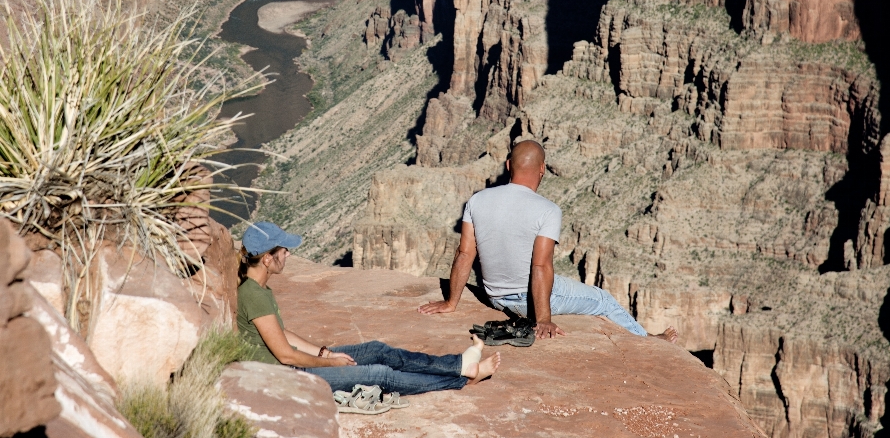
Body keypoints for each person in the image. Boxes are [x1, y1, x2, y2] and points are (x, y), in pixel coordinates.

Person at [419, 140, 679, 343]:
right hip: (526, 301)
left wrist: (451, 303)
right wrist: (543, 319)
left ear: (509, 166)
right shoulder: (547, 210)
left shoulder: (477, 200)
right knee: (603, 299)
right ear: (542, 169)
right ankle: (648, 340)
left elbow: (464, 253)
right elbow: (540, 267)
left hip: (494, 297)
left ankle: (645, 337)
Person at [237, 221, 500, 399]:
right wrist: (329, 363)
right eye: (284, 250)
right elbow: (287, 357)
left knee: (377, 350)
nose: (288, 255)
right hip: (289, 378)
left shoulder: (260, 290)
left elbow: (283, 334)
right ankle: (463, 379)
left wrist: (324, 352)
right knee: (379, 375)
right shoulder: (252, 294)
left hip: (296, 366)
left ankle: (459, 364)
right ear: (267, 259)